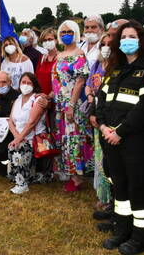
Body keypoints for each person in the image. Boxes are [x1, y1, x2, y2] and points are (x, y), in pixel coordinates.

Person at [95, 21, 144, 254]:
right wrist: (103, 126)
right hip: (109, 137)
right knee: (120, 186)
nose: (127, 41)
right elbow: (101, 100)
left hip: (134, 139)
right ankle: (122, 231)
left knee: (137, 188)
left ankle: (141, 238)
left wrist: (120, 131)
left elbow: (143, 106)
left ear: (141, 40)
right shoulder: (115, 68)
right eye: (123, 37)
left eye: (132, 36)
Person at [52, 20, 92, 191]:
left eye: (69, 31)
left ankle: (77, 177)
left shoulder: (79, 54)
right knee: (64, 139)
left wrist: (71, 105)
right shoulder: (59, 55)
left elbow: (80, 81)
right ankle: (69, 172)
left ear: (75, 33)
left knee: (74, 139)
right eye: (62, 32)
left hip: (72, 104)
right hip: (59, 104)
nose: (65, 35)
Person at [6, 72, 47, 194]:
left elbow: (32, 122)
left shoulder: (38, 99)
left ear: (34, 85)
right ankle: (26, 177)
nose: (26, 85)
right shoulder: (18, 99)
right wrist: (16, 137)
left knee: (17, 148)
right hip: (20, 137)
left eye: (29, 83)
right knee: (14, 146)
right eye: (23, 82)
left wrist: (19, 139)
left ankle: (22, 185)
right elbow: (10, 121)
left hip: (33, 139)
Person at [86, 34, 113, 215]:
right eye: (102, 44)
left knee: (110, 158)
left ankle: (111, 198)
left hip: (110, 117)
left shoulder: (117, 67)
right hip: (95, 112)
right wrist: (90, 98)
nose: (105, 47)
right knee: (99, 156)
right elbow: (89, 84)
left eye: (109, 44)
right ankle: (103, 195)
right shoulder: (97, 64)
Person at [0, 71, 20, 176]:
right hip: (2, 135)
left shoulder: (18, 98)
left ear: (10, 82)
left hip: (16, 134)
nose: (1, 85)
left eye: (4, 82)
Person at [35, 28, 58, 96]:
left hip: (55, 97)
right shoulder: (42, 58)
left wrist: (50, 96)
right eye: (44, 40)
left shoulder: (61, 58)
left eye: (50, 39)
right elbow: (36, 78)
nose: (47, 42)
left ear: (56, 40)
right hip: (41, 96)